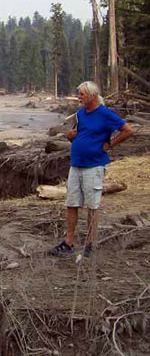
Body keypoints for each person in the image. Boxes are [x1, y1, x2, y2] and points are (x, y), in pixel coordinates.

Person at [50, 81, 134, 257]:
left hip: (94, 165)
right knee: (71, 203)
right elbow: (75, 135)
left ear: (92, 96)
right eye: (78, 93)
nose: (79, 97)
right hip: (76, 164)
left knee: (92, 206)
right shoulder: (80, 114)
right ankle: (69, 242)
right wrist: (68, 136)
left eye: (82, 94)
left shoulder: (105, 114)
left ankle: (90, 244)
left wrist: (110, 145)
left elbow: (127, 130)